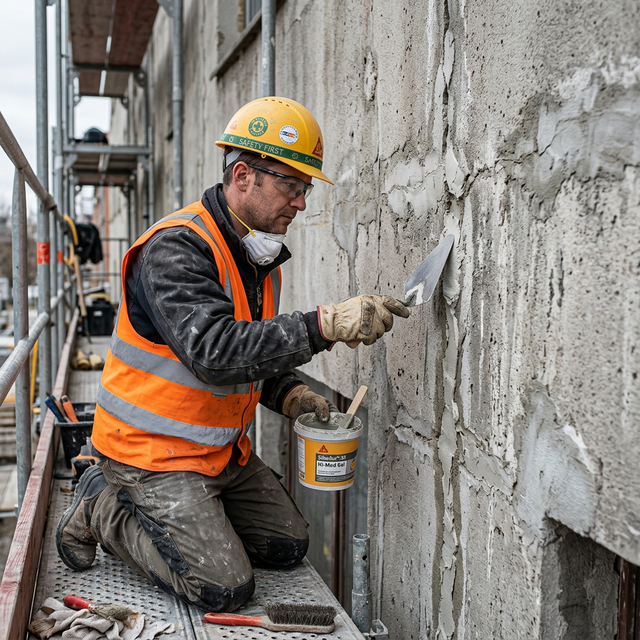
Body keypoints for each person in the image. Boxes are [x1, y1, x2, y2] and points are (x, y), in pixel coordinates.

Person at [55, 97, 409, 612]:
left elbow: (249, 354)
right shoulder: (174, 249)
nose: (302, 202)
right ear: (243, 175)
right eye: (291, 185)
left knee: (285, 547)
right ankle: (101, 503)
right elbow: (215, 354)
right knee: (224, 589)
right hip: (150, 452)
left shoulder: (258, 257)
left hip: (218, 455)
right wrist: (323, 325)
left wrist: (290, 394)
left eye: (305, 188)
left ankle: (195, 513)